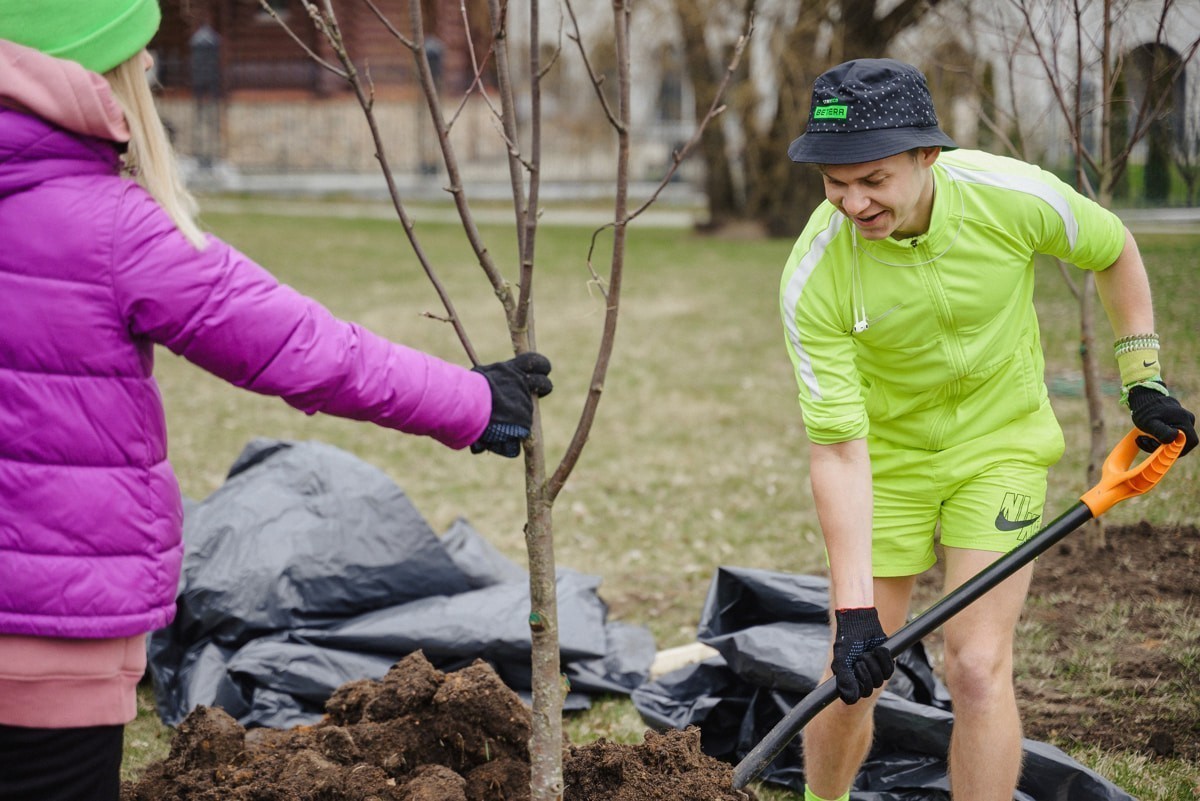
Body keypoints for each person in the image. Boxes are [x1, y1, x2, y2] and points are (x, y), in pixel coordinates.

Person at [0, 2, 553, 799]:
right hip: (49, 643)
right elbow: (303, 347)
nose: (151, 65)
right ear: (84, 72)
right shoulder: (113, 227)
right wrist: (473, 400)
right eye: (134, 49)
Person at [778, 58, 1196, 801]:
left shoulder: (1010, 195)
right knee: (851, 676)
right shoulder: (816, 274)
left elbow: (1114, 250)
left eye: (873, 179)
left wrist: (1144, 379)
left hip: (999, 445)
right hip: (886, 462)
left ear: (926, 155)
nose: (853, 203)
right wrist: (854, 613)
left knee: (975, 665)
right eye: (834, 183)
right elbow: (839, 453)